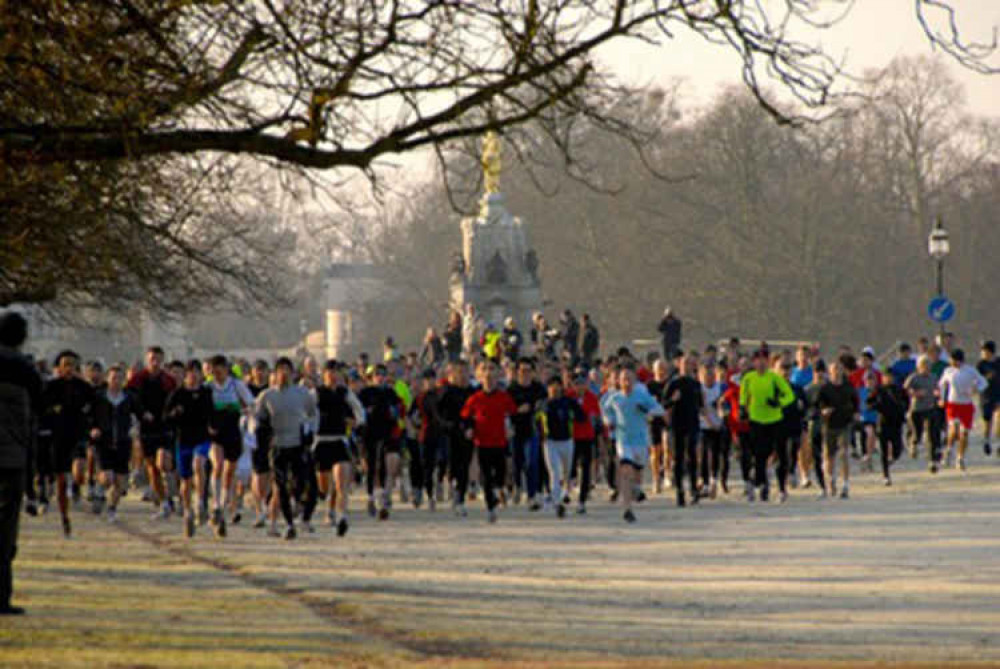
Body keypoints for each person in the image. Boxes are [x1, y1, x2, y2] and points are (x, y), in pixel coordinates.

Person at [0, 312, 43, 615]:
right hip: (11, 460)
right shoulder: (26, 372)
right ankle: (1, 596)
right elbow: (35, 419)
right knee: (5, 531)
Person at [255, 357, 318, 539]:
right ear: (275, 373)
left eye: (287, 369)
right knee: (280, 486)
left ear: (292, 372)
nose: (284, 373)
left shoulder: (302, 393)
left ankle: (297, 505)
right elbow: (258, 419)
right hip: (277, 447)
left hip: (297, 445)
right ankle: (289, 524)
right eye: (280, 369)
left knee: (298, 484)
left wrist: (310, 433)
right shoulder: (267, 396)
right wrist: (260, 435)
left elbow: (313, 414)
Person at [41, 350, 96, 536]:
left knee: (79, 468)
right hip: (58, 436)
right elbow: (42, 408)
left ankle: (77, 486)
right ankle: (65, 516)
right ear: (59, 368)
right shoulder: (51, 386)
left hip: (78, 434)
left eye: (73, 365)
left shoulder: (84, 387)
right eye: (66, 365)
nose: (69, 368)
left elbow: (96, 406)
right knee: (61, 481)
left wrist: (93, 423)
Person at [601, 367, 665, 523]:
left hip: (641, 440)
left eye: (629, 379)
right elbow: (605, 410)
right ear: (619, 381)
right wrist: (609, 421)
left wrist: (647, 411)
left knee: (637, 473)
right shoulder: (614, 398)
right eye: (623, 379)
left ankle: (637, 489)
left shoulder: (641, 395)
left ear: (635, 381)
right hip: (623, 440)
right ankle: (627, 509)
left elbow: (659, 410)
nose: (627, 383)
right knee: (625, 470)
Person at [459, 360, 517, 523]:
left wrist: (511, 427)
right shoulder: (475, 398)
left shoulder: (504, 397)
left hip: (500, 442)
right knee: (485, 477)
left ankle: (501, 490)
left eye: (492, 378)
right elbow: (465, 417)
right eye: (486, 378)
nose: (489, 381)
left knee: (500, 473)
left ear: (497, 379)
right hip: (482, 442)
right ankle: (491, 508)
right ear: (480, 379)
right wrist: (468, 429)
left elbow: (513, 413)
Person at [313, 361, 365, 536]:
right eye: (330, 372)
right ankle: (329, 508)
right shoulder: (317, 393)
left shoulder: (344, 392)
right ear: (324, 374)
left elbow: (358, 409)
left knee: (341, 482)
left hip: (339, 440)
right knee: (325, 488)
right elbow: (304, 411)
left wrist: (358, 422)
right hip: (321, 441)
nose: (333, 375)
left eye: (336, 372)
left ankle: (342, 516)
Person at [164, 361, 214, 537]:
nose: (193, 376)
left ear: (201, 375)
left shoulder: (207, 393)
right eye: (190, 373)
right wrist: (174, 414)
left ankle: (200, 501)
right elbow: (166, 417)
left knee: (199, 464)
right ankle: (187, 510)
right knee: (185, 481)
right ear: (185, 375)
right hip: (183, 439)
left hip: (202, 439)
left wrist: (213, 426)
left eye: (197, 372)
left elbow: (213, 414)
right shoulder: (177, 394)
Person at [126, 346, 177, 519]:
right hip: (146, 427)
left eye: (158, 359)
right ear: (147, 360)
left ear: (162, 361)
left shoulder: (168, 380)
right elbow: (131, 399)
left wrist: (171, 414)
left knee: (163, 461)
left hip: (164, 426)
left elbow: (175, 399)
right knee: (152, 467)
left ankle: (170, 487)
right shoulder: (137, 379)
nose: (155, 362)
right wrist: (141, 413)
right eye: (152, 359)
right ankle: (163, 502)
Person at [206, 355, 254, 537]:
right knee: (217, 466)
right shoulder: (208, 387)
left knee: (229, 472)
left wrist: (247, 411)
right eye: (214, 371)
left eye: (221, 370)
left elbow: (251, 403)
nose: (218, 374)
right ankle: (216, 504)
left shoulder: (236, 385)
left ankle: (223, 505)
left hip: (233, 433)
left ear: (227, 370)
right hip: (215, 434)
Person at [91, 365, 144, 522]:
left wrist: (144, 419)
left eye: (120, 378)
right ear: (107, 379)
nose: (117, 381)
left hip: (123, 441)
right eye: (113, 377)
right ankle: (99, 490)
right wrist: (93, 429)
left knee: (120, 481)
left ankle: (112, 508)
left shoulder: (129, 397)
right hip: (103, 441)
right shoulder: (99, 396)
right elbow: (89, 416)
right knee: (107, 476)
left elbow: (139, 413)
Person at [739, 350, 794, 503]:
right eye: (758, 360)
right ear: (754, 362)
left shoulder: (774, 377)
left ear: (768, 362)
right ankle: (761, 485)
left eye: (764, 360)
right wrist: (743, 408)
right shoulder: (748, 378)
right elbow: (743, 395)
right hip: (756, 421)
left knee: (782, 456)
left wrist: (778, 403)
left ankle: (782, 488)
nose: (761, 363)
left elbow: (789, 395)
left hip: (775, 420)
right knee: (760, 456)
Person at [663, 354, 710, 506]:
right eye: (684, 364)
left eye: (690, 364)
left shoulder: (696, 384)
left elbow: (702, 406)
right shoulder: (673, 383)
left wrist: (711, 419)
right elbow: (663, 404)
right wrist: (672, 400)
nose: (687, 366)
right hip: (677, 424)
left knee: (693, 457)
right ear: (679, 365)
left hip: (693, 424)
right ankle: (680, 491)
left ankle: (693, 489)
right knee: (678, 457)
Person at [537, 375, 583, 518]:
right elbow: (535, 421)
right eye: (552, 385)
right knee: (554, 473)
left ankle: (564, 493)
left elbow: (581, 416)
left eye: (558, 385)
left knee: (567, 473)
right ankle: (557, 504)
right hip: (550, 443)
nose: (555, 388)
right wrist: (541, 435)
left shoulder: (569, 402)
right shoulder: (543, 404)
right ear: (548, 388)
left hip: (567, 441)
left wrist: (577, 414)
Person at [938, 349, 988, 471]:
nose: (952, 362)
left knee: (964, 433)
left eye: (954, 360)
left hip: (966, 404)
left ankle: (960, 457)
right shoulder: (948, 371)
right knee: (954, 430)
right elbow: (942, 384)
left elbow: (983, 382)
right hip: (952, 404)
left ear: (960, 360)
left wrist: (976, 389)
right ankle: (949, 450)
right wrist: (941, 398)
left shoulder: (970, 371)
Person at [506, 358, 546, 510]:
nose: (526, 374)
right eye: (522, 371)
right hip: (516, 431)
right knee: (517, 462)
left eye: (528, 370)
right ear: (517, 372)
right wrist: (517, 411)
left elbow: (544, 404)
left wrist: (539, 409)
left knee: (531, 462)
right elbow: (506, 410)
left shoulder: (539, 389)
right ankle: (516, 485)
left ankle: (531, 495)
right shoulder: (512, 390)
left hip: (533, 430)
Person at [817, 361, 859, 499]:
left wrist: (856, 413)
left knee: (844, 453)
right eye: (834, 369)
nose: (836, 371)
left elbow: (855, 401)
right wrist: (823, 411)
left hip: (844, 424)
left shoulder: (848, 387)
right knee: (829, 455)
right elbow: (819, 404)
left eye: (839, 369)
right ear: (830, 372)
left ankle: (845, 485)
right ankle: (831, 481)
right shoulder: (825, 388)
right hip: (829, 425)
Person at [866, 370, 908, 486]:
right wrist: (876, 406)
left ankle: (892, 459)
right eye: (886, 377)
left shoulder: (899, 390)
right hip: (883, 423)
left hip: (896, 423)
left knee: (897, 449)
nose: (888, 379)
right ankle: (886, 475)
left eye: (890, 376)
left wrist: (903, 409)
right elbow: (869, 403)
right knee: (884, 450)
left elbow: (907, 402)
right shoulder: (879, 390)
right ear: (883, 378)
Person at [568, 368, 601, 514]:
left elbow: (596, 417)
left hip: (587, 437)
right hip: (571, 437)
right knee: (571, 467)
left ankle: (582, 500)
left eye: (582, 383)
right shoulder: (568, 397)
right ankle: (570, 485)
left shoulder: (592, 398)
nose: (580, 386)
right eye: (577, 383)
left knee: (586, 467)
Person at [904, 357, 942, 469]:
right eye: (924, 366)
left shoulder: (933, 377)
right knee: (917, 433)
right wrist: (915, 393)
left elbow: (938, 388)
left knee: (931, 434)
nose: (926, 368)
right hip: (916, 409)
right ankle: (913, 444)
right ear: (919, 367)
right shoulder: (914, 377)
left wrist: (938, 394)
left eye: (928, 366)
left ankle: (932, 460)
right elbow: (906, 388)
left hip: (930, 408)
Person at [976, 341, 999, 456]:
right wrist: (986, 377)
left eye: (984, 351)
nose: (982, 353)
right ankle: (986, 440)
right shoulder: (981, 364)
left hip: (998, 393)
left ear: (990, 352)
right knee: (987, 421)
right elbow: (976, 378)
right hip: (986, 395)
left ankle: (999, 443)